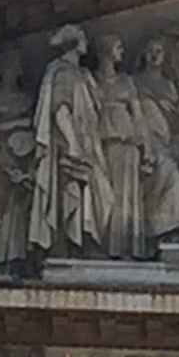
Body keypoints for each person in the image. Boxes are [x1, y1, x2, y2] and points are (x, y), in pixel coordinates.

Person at [28, 24, 111, 256]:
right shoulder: (64, 73)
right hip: (73, 142)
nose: (86, 41)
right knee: (74, 189)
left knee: (96, 191)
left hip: (88, 141)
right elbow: (60, 109)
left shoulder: (80, 73)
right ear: (74, 43)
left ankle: (83, 241)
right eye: (82, 37)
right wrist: (73, 143)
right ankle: (73, 244)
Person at [0, 46, 36, 271]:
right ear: (0, 69)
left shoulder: (27, 98)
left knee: (18, 212)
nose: (15, 68)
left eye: (17, 65)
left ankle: (14, 258)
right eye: (9, 64)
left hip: (23, 159)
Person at [93, 33, 148, 259]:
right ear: (106, 51)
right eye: (118, 47)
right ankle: (102, 245)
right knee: (104, 195)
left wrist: (148, 151)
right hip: (101, 144)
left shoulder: (126, 81)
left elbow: (138, 117)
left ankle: (125, 248)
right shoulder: (91, 79)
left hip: (127, 144)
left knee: (127, 196)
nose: (122, 52)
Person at [134, 36, 179, 245]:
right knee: (171, 175)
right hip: (143, 141)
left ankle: (171, 226)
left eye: (159, 51)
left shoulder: (168, 85)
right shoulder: (135, 81)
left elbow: (175, 115)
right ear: (143, 54)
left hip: (165, 140)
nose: (154, 55)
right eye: (150, 50)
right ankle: (163, 228)